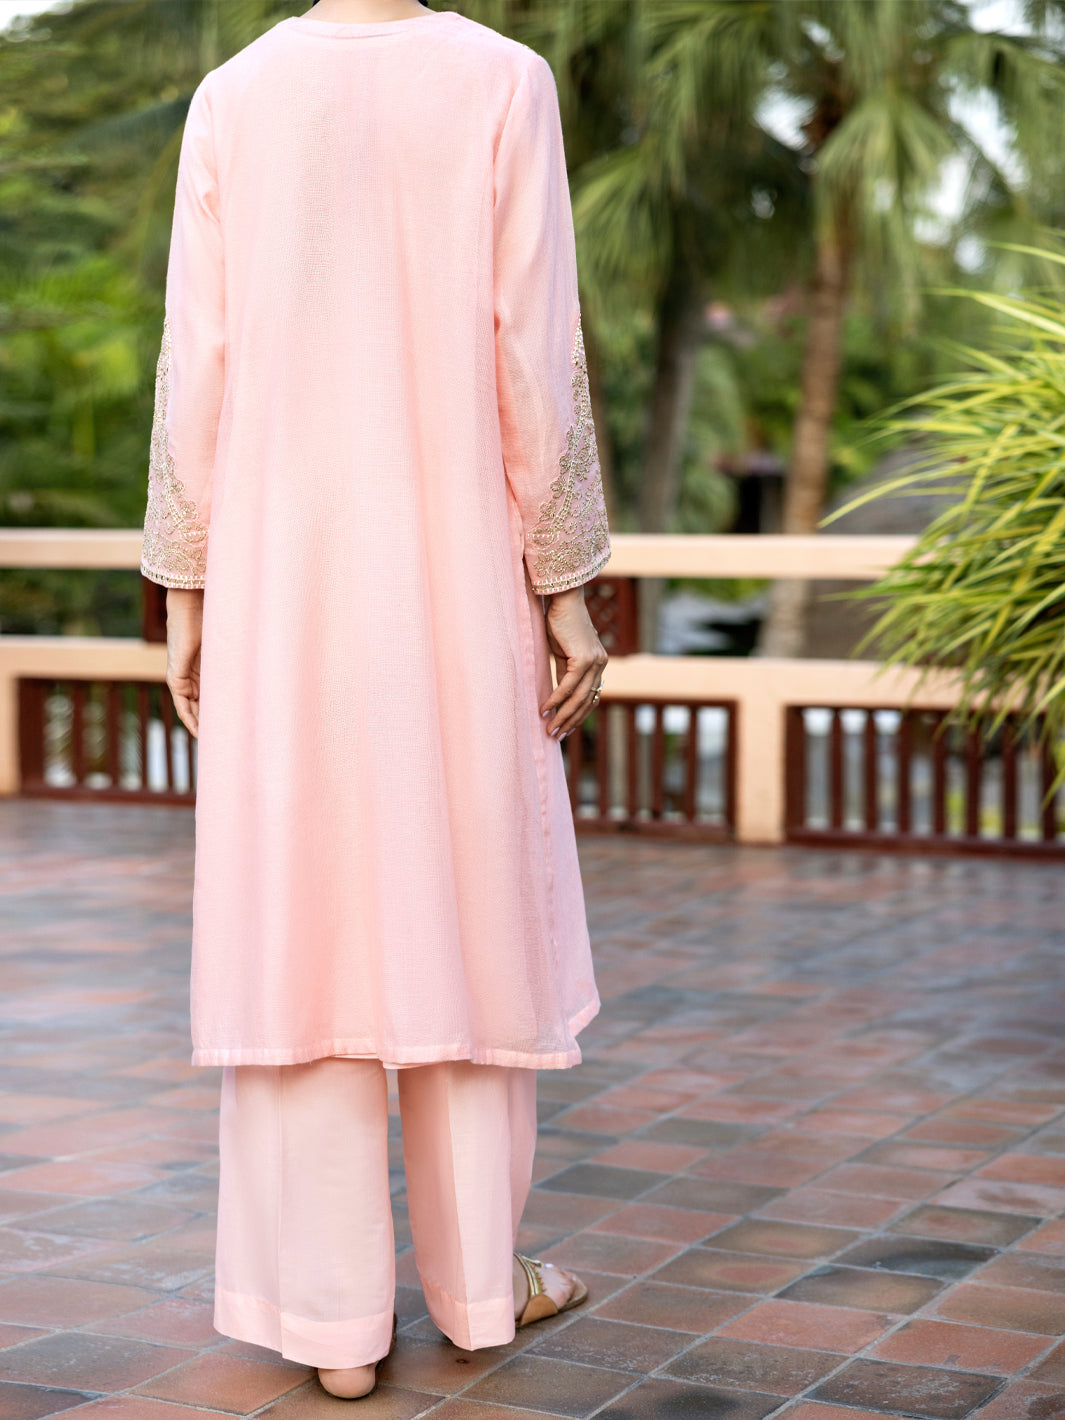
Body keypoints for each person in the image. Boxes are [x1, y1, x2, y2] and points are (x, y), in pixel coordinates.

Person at [139, 0, 611, 1399]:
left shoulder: (233, 95)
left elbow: (197, 361)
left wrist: (188, 593)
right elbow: (533, 348)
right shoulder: (502, 81)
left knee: (307, 926)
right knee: (458, 914)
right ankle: (478, 1294)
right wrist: (564, 583)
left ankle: (332, 1325)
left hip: (282, 588)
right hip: (450, 581)